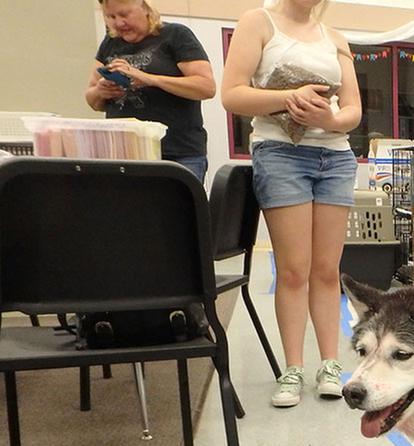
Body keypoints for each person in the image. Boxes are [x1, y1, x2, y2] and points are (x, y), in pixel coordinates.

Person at [221, 0, 362, 408]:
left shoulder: (335, 39)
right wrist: (289, 97)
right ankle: (294, 367)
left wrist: (331, 120)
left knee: (326, 268)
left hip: (335, 155)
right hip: (281, 153)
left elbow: (351, 109)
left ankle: (331, 364)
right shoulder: (258, 22)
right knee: (294, 269)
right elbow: (232, 94)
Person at [86, 0, 215, 182]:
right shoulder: (110, 43)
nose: (119, 23)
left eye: (124, 15)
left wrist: (149, 79)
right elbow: (92, 98)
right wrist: (101, 90)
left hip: (176, 153)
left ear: (145, 7)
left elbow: (206, 87)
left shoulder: (176, 35)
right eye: (111, 17)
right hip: (124, 154)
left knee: (175, 209)